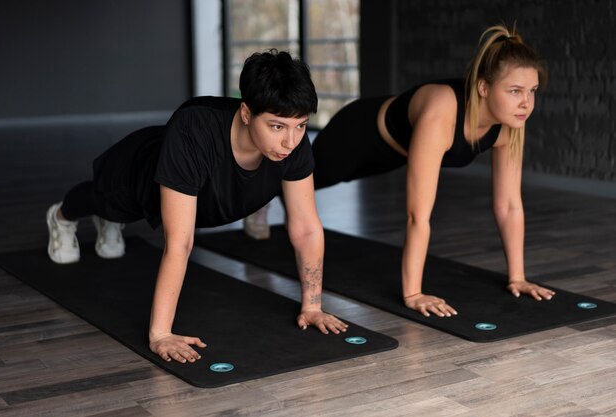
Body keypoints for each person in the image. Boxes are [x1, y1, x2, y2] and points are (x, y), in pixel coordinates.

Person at [46, 49, 348, 364]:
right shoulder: (195, 129)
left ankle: (108, 224)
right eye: (277, 127)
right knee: (101, 202)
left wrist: (312, 306)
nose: (291, 141)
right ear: (246, 113)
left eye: (300, 125)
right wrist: (161, 334)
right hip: (140, 177)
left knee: (114, 216)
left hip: (211, 197)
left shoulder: (292, 145)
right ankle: (60, 216)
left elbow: (306, 228)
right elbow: (180, 243)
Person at [245, 24, 556, 318]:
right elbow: (417, 215)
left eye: (532, 91)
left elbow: (509, 205)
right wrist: (414, 294)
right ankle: (257, 198)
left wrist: (518, 277)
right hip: (358, 136)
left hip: (394, 154)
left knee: (303, 185)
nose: (526, 103)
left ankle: (275, 200)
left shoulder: (509, 126)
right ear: (483, 87)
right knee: (299, 177)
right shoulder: (441, 110)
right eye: (515, 90)